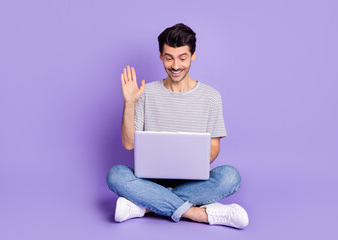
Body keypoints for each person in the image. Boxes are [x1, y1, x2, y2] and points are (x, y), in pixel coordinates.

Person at [106, 23, 249, 229]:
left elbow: (214, 147)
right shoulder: (145, 93)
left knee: (230, 176)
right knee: (116, 175)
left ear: (193, 56)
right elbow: (128, 144)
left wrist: (189, 162)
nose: (175, 65)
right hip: (152, 181)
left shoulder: (211, 97)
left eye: (182, 58)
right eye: (169, 57)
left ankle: (145, 206)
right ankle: (199, 214)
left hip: (194, 182)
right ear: (160, 56)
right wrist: (129, 102)